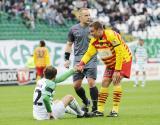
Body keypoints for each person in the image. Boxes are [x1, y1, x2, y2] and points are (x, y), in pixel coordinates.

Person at [77, 21, 132, 117]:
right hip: (111, 63)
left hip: (123, 60)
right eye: (90, 32)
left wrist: (117, 70)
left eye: (92, 31)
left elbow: (119, 53)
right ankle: (100, 110)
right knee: (104, 82)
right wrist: (81, 64)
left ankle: (115, 110)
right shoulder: (94, 40)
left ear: (99, 30)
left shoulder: (111, 35)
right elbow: (89, 53)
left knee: (116, 81)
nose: (91, 33)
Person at [64, 8, 98, 112]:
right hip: (78, 60)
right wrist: (66, 59)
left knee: (91, 82)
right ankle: (86, 101)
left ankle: (95, 108)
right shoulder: (73, 29)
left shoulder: (94, 28)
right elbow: (69, 44)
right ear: (80, 17)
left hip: (91, 59)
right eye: (86, 15)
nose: (89, 17)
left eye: (89, 15)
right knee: (76, 85)